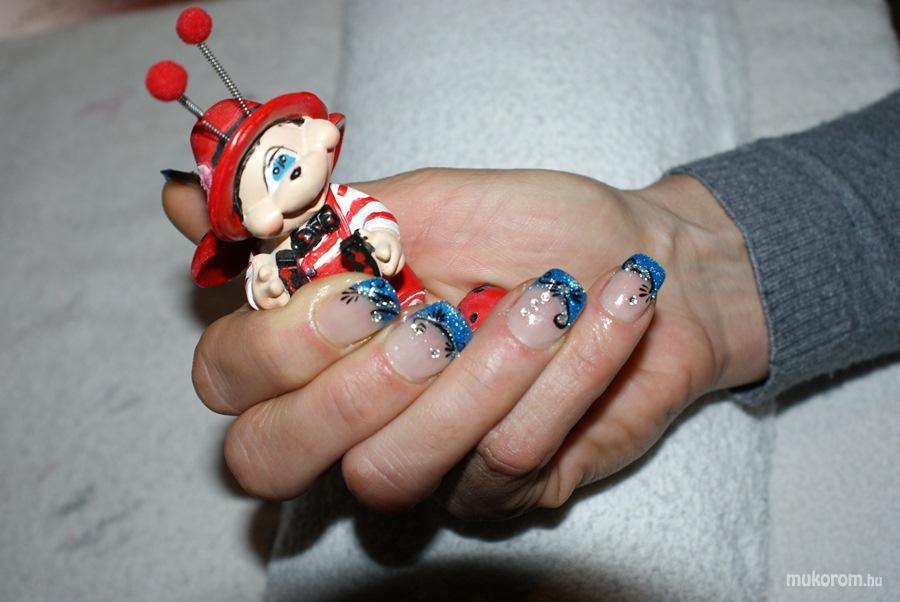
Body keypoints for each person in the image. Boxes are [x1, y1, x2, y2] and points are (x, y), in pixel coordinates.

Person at [160, 80, 899, 518]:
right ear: (248, 216)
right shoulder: (276, 254)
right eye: (273, 169)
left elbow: (376, 221)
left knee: (456, 315)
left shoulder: (347, 205)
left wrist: (381, 240)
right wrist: (695, 255)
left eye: (295, 139)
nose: (301, 163)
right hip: (371, 324)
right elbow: (265, 285)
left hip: (406, 294)